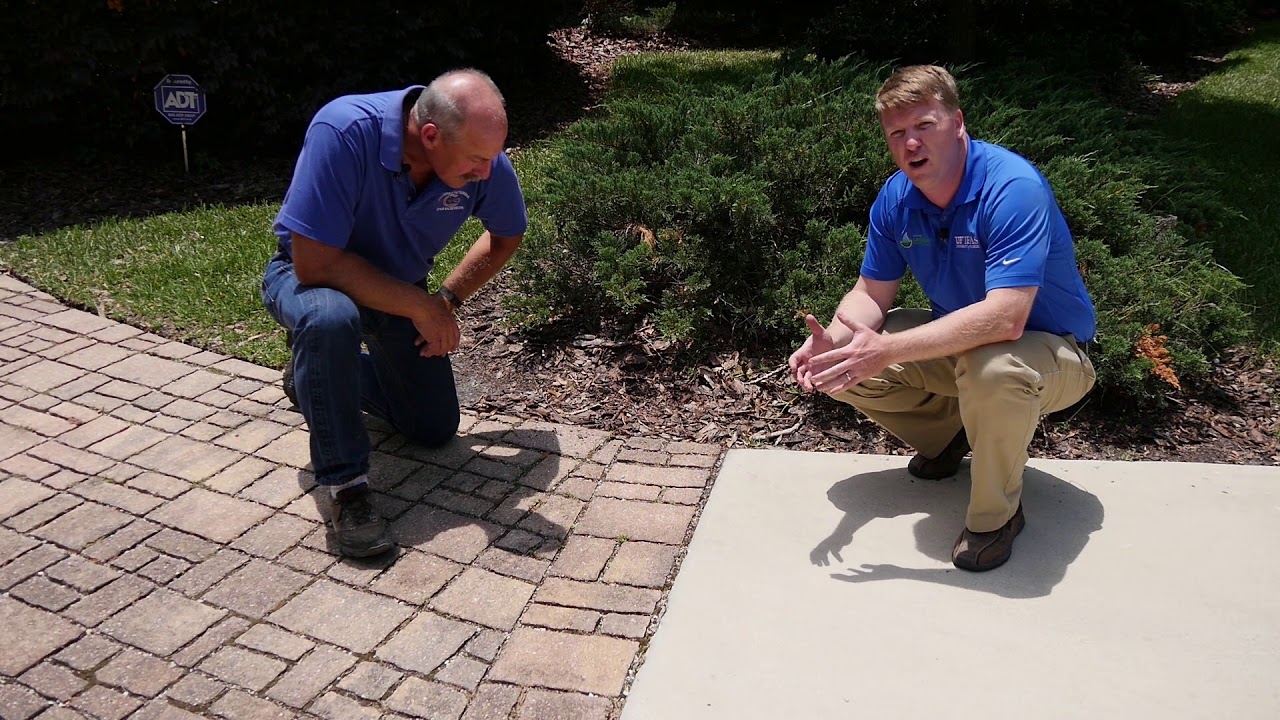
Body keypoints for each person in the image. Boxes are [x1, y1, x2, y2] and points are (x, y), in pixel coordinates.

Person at [789, 65, 1096, 572]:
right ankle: (952, 435)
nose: (911, 143)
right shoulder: (896, 198)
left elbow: (1006, 319)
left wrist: (886, 350)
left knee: (994, 369)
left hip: (1053, 351)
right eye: (897, 133)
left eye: (923, 126)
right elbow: (871, 292)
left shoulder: (1012, 187)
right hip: (967, 346)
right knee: (840, 366)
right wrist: (834, 339)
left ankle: (996, 518)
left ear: (957, 122)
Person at [261, 69, 527, 557]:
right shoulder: (344, 130)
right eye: (476, 160)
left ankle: (312, 380)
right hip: (310, 277)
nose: (487, 172)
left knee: (433, 428)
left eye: (493, 158)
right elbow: (314, 261)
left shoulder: (478, 155)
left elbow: (506, 235)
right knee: (330, 320)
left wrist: (446, 301)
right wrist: (422, 308)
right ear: (430, 136)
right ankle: (348, 488)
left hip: (402, 288)